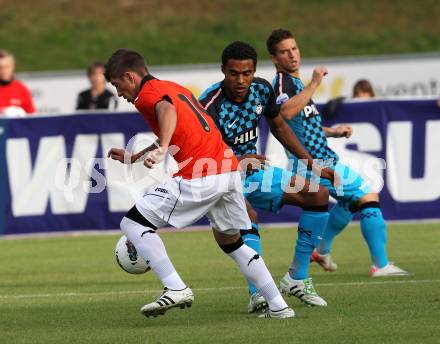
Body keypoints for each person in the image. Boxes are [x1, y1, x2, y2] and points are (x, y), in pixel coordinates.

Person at [104, 49, 294, 319]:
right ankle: (279, 306)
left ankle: (175, 287)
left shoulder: (147, 95)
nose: (119, 92)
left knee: (132, 224)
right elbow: (177, 122)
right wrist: (138, 156)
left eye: (117, 85)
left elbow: (166, 111)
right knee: (233, 243)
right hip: (227, 171)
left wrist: (164, 147)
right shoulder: (172, 87)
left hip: (200, 174)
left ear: (129, 76)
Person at [199, 41, 335, 312]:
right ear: (223, 71)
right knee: (247, 217)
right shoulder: (209, 104)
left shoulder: (262, 89)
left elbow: (279, 126)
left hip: (255, 172)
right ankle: (258, 294)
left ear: (254, 71)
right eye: (234, 73)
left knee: (318, 194)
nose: (241, 80)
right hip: (220, 175)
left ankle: (297, 278)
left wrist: (312, 164)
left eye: (246, 73)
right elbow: (202, 153)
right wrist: (238, 161)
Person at [266, 28, 409, 277]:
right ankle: (381, 265)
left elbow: (302, 125)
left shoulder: (295, 84)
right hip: (313, 163)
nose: (292, 55)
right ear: (274, 58)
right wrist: (314, 83)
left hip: (321, 159)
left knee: (348, 203)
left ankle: (322, 250)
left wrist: (333, 131)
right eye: (284, 52)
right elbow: (284, 115)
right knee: (367, 195)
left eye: (294, 49)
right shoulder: (282, 83)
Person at [0, 49, 36, 117]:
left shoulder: (21, 88)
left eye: (6, 67)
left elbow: (32, 116)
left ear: (13, 67)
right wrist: (3, 112)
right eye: (0, 68)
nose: (3, 71)